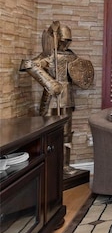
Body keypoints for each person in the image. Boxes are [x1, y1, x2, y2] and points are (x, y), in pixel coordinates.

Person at [20, 21, 94, 176]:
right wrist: (49, 81)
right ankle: (48, 167)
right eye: (64, 40)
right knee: (49, 134)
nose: (66, 43)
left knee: (66, 133)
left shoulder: (72, 56)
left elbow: (79, 74)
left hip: (67, 98)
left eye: (68, 40)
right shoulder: (49, 55)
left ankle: (64, 165)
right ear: (58, 39)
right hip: (52, 98)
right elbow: (28, 64)